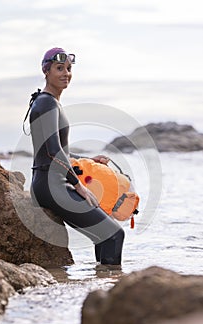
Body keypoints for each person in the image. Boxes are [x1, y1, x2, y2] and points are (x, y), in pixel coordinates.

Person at [28, 47, 124, 266]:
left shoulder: (49, 103)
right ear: (46, 71)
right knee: (114, 235)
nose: (65, 74)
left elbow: (60, 151)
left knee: (105, 234)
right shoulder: (46, 103)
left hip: (51, 183)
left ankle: (100, 286)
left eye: (69, 69)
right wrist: (78, 184)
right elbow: (52, 151)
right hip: (52, 186)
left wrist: (89, 161)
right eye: (59, 68)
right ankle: (110, 293)